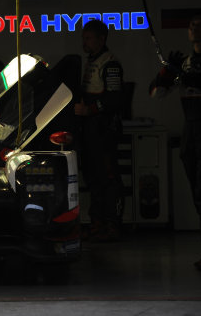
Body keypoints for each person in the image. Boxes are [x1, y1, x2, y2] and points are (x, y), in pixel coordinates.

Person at [149, 13, 201, 271]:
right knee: (200, 197)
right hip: (191, 132)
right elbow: (156, 94)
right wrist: (166, 72)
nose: (195, 28)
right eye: (192, 25)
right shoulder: (184, 63)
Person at [75, 19, 124, 242]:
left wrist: (90, 109)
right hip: (91, 128)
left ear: (101, 39)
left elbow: (115, 99)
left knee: (108, 177)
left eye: (88, 38)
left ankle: (113, 223)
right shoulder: (92, 61)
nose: (84, 42)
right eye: (84, 37)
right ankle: (97, 222)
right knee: (93, 176)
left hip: (104, 127)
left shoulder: (110, 64)